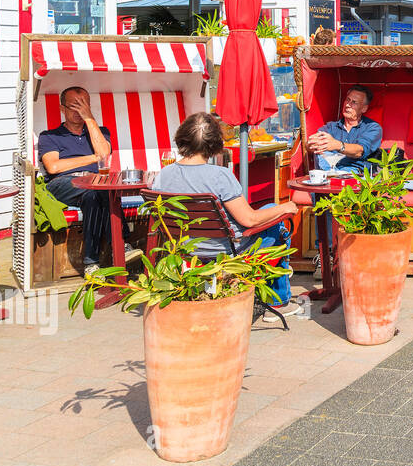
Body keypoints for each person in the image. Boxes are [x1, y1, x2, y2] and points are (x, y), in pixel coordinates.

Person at [154, 112, 301, 314]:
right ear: (214, 144)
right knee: (276, 221)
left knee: (269, 212)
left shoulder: (163, 175)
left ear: (182, 138)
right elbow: (249, 219)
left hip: (188, 248)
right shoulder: (219, 176)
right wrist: (285, 207)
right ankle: (278, 301)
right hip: (226, 249)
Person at [38, 86, 116, 276]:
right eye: (74, 106)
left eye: (84, 106)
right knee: (97, 189)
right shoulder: (49, 136)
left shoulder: (100, 131)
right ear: (62, 109)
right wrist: (93, 157)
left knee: (93, 195)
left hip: (94, 185)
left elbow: (104, 152)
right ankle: (123, 244)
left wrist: (89, 118)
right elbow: (53, 167)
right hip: (62, 183)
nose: (79, 111)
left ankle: (91, 263)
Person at [307, 85, 383, 173]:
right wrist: (311, 144)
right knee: (321, 155)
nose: (347, 105)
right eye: (347, 100)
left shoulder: (372, 127)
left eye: (354, 102)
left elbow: (359, 151)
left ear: (364, 108)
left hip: (354, 173)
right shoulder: (331, 127)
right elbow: (309, 145)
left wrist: (337, 145)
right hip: (326, 169)